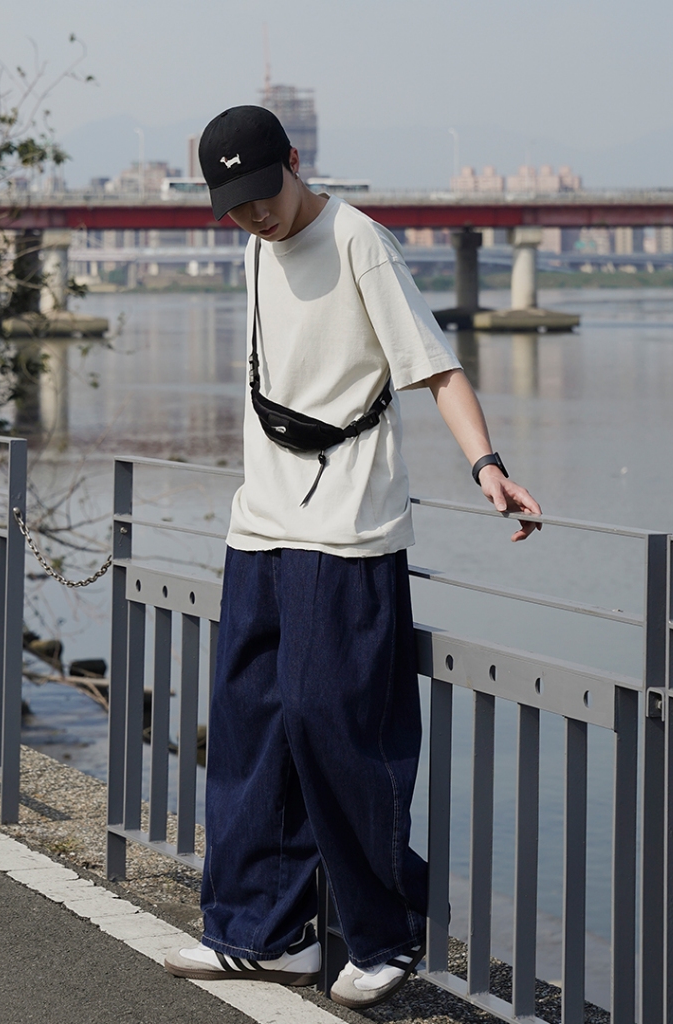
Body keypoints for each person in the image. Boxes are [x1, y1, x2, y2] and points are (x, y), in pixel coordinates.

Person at [164, 105, 541, 1010]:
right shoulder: (255, 246)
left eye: (264, 194)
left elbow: (435, 366)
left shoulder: (359, 241)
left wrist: (487, 466)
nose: (255, 216)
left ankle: (387, 931)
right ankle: (263, 934)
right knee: (251, 734)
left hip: (347, 532)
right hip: (261, 526)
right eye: (236, 206)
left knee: (332, 726)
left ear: (295, 162)